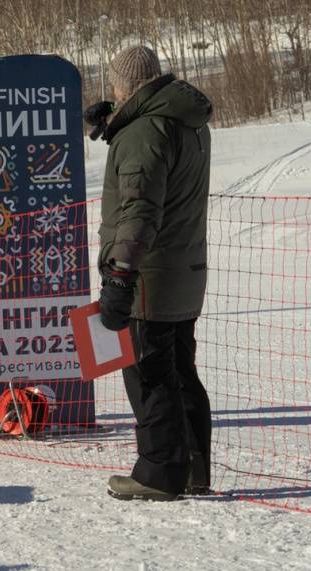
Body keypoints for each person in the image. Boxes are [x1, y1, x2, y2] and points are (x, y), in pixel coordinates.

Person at [91, 45, 213, 501]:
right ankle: (193, 467)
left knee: (149, 373)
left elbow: (138, 211)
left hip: (149, 275)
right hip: (184, 270)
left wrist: (121, 273)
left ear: (126, 86)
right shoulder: (184, 119)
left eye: (116, 86)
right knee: (180, 369)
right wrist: (117, 123)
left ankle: (159, 472)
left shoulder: (145, 131)